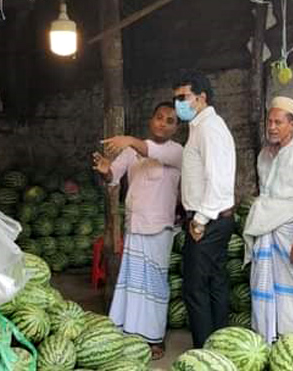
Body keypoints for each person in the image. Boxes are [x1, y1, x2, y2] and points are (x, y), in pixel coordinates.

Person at [93, 102, 182, 360]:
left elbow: (152, 151)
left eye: (170, 120)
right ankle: (129, 333)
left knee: (154, 287)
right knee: (132, 284)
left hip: (160, 229)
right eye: (159, 118)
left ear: (176, 128)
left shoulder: (177, 152)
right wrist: (105, 171)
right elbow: (113, 177)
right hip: (135, 226)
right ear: (151, 120)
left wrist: (129, 139)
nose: (163, 123)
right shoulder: (132, 153)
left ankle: (155, 339)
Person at [243, 96, 293, 343]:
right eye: (269, 121)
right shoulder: (264, 156)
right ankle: (267, 341)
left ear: (292, 125)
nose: (272, 127)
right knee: (263, 289)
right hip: (265, 232)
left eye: (278, 122)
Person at [173, 70, 236, 348]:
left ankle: (204, 350)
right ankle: (217, 347)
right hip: (210, 219)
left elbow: (219, 179)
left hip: (208, 221)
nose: (178, 103)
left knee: (195, 288)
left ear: (201, 98)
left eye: (183, 97)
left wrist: (199, 220)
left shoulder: (210, 129)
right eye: (176, 98)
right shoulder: (200, 127)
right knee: (214, 284)